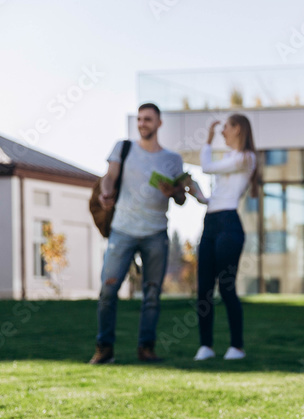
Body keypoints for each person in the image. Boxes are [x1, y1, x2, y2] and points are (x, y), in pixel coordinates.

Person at [89, 103, 186, 364]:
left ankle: (146, 348)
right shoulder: (123, 148)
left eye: (148, 119)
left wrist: (174, 192)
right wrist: (105, 192)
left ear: (159, 123)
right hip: (123, 229)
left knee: (152, 294)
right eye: (140, 119)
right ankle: (104, 348)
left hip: (156, 232)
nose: (143, 123)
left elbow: (181, 199)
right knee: (108, 290)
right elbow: (110, 176)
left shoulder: (173, 159)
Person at [184, 115, 258, 361]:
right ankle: (206, 346)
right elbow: (217, 197)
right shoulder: (229, 159)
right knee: (204, 288)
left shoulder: (246, 158)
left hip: (229, 225)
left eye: (226, 128)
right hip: (211, 222)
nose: (222, 132)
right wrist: (199, 194)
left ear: (237, 129)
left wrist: (207, 139)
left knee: (226, 288)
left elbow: (206, 166)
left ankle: (237, 346)